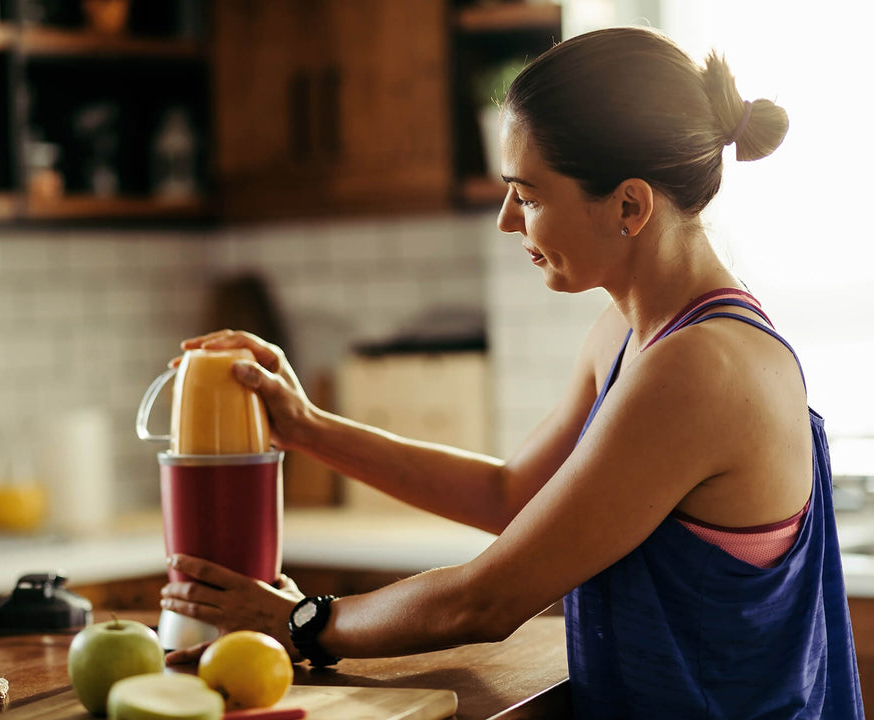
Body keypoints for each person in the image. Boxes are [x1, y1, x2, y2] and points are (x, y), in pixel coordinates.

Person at [159, 26, 864, 718]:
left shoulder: (701, 367)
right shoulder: (630, 333)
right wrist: (308, 427)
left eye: (527, 195)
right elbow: (512, 495)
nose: (506, 220)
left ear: (629, 205)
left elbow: (487, 600)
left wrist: (302, 621)